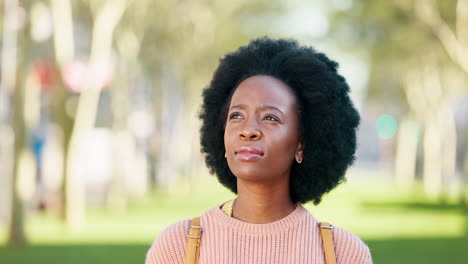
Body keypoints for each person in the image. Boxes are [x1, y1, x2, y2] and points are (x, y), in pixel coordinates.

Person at [146, 37, 372, 264]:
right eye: (236, 116)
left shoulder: (343, 253)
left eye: (270, 118)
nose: (248, 130)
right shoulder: (178, 246)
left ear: (301, 143)